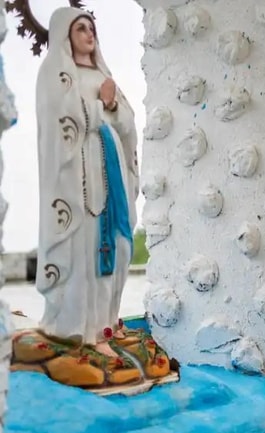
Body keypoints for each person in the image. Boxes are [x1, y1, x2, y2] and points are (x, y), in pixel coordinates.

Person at [35, 7, 139, 357]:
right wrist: (101, 106)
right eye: (81, 28)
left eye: (92, 28)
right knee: (88, 247)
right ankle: (85, 331)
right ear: (65, 34)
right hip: (79, 177)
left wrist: (111, 107)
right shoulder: (57, 74)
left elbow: (126, 123)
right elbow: (60, 121)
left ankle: (108, 321)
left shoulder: (102, 74)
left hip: (110, 170)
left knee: (120, 245)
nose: (89, 35)